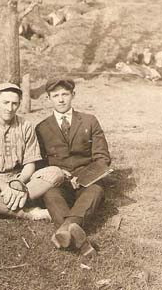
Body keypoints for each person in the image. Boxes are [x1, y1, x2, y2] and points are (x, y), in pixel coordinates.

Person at [36, 78, 111, 257]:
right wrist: (58, 174)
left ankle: (65, 231)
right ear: (48, 99)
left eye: (65, 94)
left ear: (73, 95)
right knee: (49, 193)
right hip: (58, 181)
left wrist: (85, 177)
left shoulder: (89, 121)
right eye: (55, 96)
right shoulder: (41, 128)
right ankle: (78, 239)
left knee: (96, 190)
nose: (61, 100)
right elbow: (40, 163)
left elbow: (102, 157)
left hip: (86, 181)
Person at [0, 83, 63, 221]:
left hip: (20, 178)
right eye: (5, 102)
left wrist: (18, 183)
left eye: (14, 103)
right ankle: (30, 213)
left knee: (55, 173)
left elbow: (30, 162)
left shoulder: (25, 125)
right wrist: (4, 187)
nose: (10, 108)